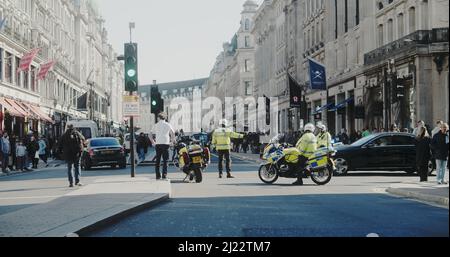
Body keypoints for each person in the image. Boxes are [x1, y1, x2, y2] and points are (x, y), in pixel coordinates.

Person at [149, 113, 175, 180]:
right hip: (166, 144)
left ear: (159, 118)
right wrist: (172, 142)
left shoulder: (156, 125)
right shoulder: (168, 124)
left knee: (158, 160)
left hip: (158, 144)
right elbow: (172, 133)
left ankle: (158, 176)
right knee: (165, 160)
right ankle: (164, 175)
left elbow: (150, 134)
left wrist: (153, 142)